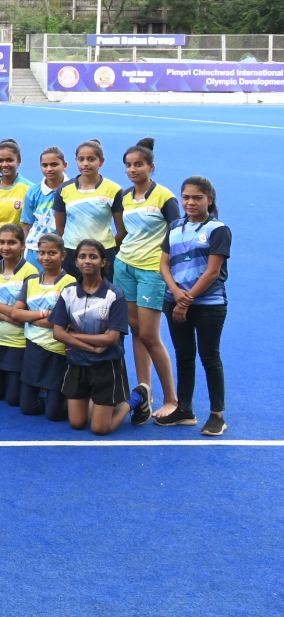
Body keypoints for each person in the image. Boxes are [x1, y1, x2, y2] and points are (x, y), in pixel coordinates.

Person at [158, 175, 229, 435]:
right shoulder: (175, 226)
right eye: (186, 197)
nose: (191, 202)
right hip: (174, 301)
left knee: (210, 357)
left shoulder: (218, 230)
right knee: (184, 356)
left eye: (198, 198)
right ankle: (184, 410)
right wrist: (176, 293)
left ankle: (217, 415)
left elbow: (212, 271)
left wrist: (185, 299)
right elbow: (164, 264)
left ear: (209, 200)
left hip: (208, 304)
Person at [116, 139, 179, 423]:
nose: (132, 169)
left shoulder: (165, 197)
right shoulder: (124, 196)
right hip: (125, 267)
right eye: (128, 165)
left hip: (152, 271)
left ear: (151, 167)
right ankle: (145, 391)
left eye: (138, 164)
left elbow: (177, 236)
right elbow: (122, 233)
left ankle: (171, 399)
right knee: (136, 330)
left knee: (151, 336)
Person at [50, 238, 133, 435]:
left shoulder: (115, 294)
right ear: (76, 262)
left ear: (103, 262)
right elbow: (57, 333)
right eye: (82, 256)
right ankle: (97, 403)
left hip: (106, 365)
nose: (87, 261)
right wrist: (93, 347)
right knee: (77, 423)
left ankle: (134, 400)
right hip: (77, 363)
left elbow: (111, 339)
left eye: (93, 257)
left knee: (100, 429)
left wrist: (74, 335)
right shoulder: (68, 293)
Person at [13, 232, 74, 422]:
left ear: (63, 255)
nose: (46, 257)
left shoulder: (70, 283)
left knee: (54, 414)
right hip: (33, 349)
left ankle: (79, 403)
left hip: (57, 352)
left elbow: (60, 321)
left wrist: (29, 317)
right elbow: (16, 313)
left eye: (52, 253)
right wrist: (43, 314)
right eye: (41, 253)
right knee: (27, 408)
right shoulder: (31, 281)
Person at [0, 223, 38, 407]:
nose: (6, 247)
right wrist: (8, 317)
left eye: (12, 242)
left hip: (19, 344)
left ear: (23, 245)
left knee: (14, 399)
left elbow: (23, 313)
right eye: (2, 242)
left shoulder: (31, 272)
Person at [53, 138, 123, 281]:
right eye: (81, 159)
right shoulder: (64, 189)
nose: (85, 163)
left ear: (101, 161)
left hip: (103, 253)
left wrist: (106, 249)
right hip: (72, 253)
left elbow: (122, 230)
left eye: (91, 159)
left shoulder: (114, 190)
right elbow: (60, 228)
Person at [21, 146, 68, 266]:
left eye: (54, 164)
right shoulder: (33, 192)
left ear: (64, 165)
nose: (49, 169)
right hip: (35, 251)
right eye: (45, 165)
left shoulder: (73, 189)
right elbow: (26, 226)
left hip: (65, 250)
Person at [0, 139, 36, 243]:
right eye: (0, 161)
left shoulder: (30, 189)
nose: (4, 164)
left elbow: (32, 222)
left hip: (18, 243)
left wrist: (24, 244)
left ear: (19, 161)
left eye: (9, 160)